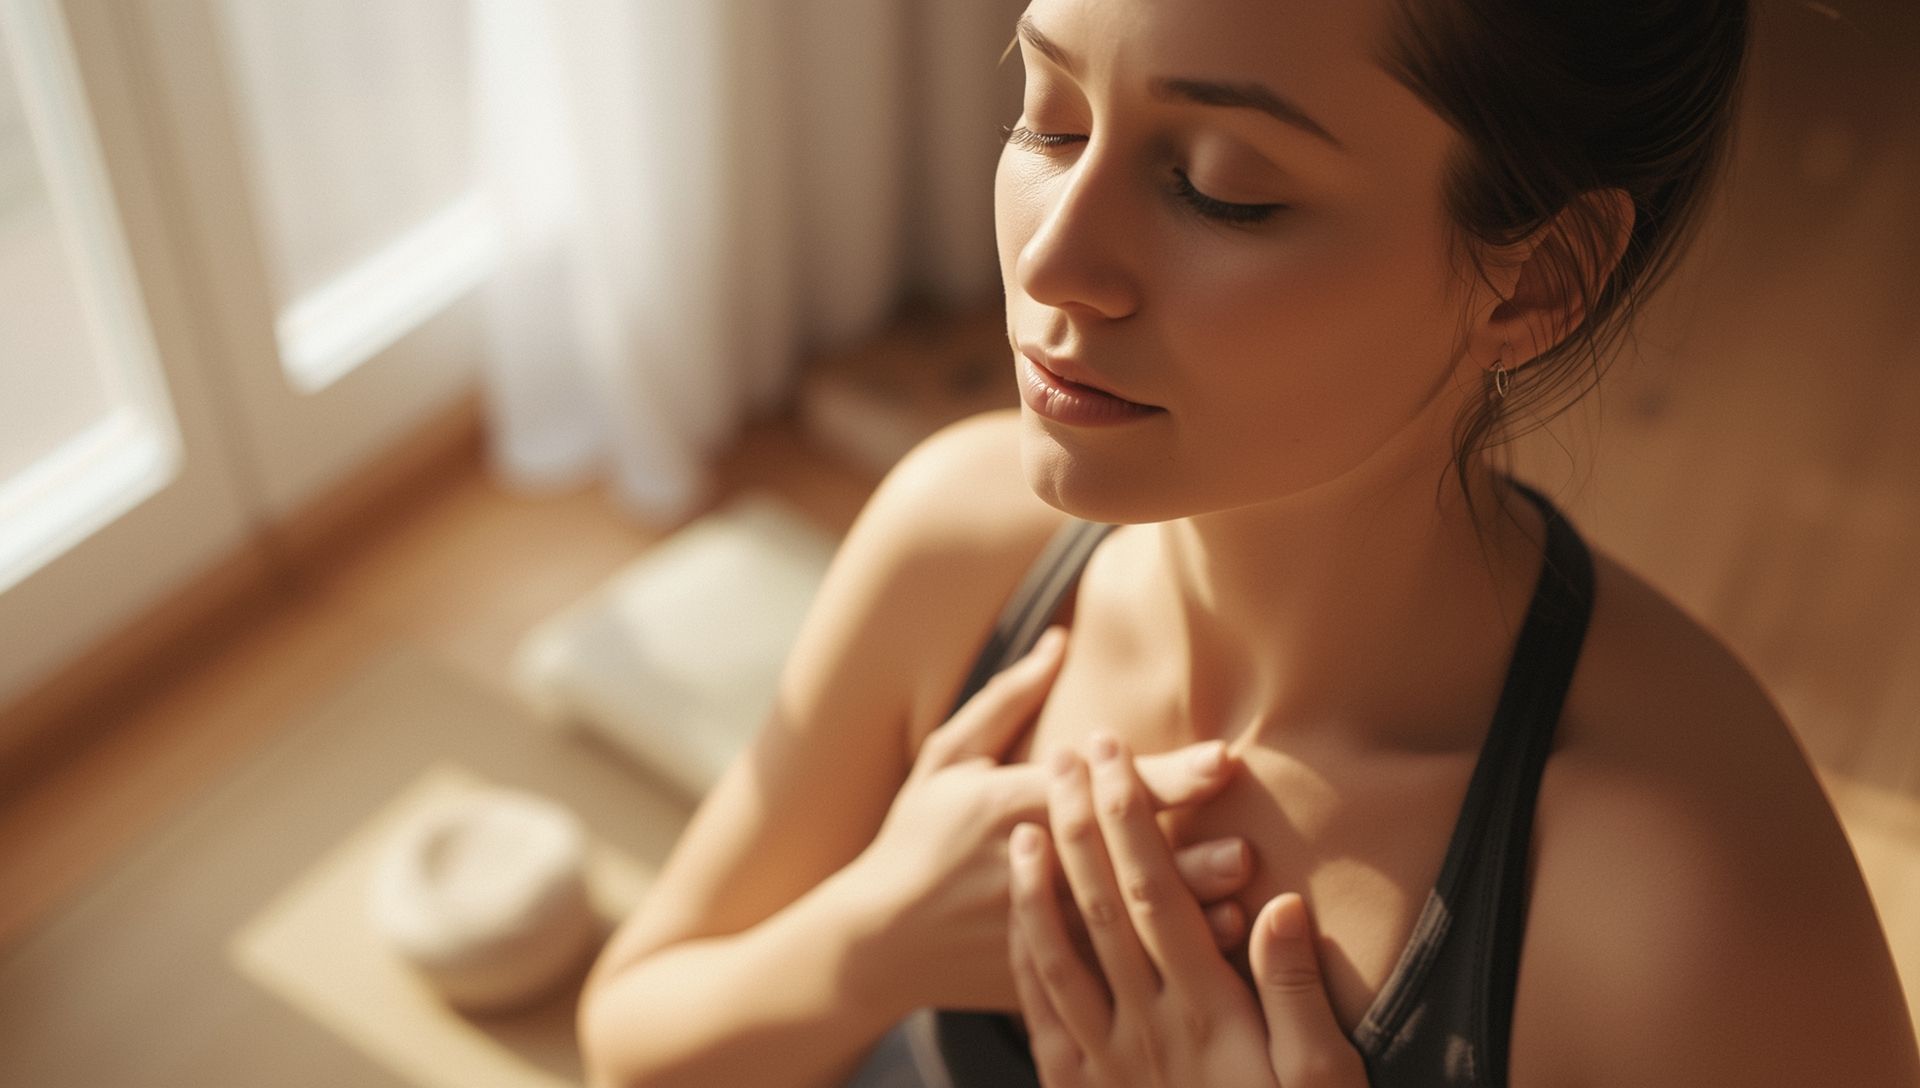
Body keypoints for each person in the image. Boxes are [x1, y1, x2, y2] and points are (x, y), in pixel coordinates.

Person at [577, 0, 1920, 1085]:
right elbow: (634, 1033)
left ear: (1539, 277)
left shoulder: (1684, 908)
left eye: (1221, 189)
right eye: (1049, 119)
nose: (1054, 261)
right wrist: (869, 945)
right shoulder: (958, 546)